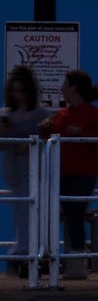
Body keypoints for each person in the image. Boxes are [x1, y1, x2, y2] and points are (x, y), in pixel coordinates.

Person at [41, 70, 98, 277]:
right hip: (62, 172)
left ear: (75, 88)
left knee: (75, 212)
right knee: (69, 214)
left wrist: (81, 134)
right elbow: (50, 136)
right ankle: (74, 261)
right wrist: (45, 129)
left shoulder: (94, 114)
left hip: (84, 172)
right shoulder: (61, 115)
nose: (62, 89)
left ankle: (77, 262)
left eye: (65, 84)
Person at [0, 65, 46, 273]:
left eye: (22, 90)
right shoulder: (6, 114)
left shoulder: (39, 114)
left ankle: (28, 250)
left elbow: (44, 138)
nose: (18, 95)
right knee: (19, 210)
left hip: (32, 169)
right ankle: (23, 248)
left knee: (31, 210)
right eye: (15, 91)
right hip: (14, 170)